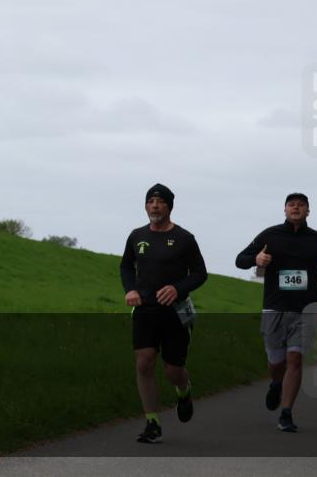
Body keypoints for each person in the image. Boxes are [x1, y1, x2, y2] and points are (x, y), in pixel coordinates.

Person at [235, 192, 317, 432]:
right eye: (291, 205)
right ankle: (276, 383)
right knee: (276, 362)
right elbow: (240, 260)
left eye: (301, 205)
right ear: (285, 210)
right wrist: (256, 259)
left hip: (305, 310)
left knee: (295, 359)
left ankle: (286, 413)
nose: (296, 208)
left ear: (308, 211)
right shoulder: (270, 235)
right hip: (274, 307)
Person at [120, 183, 208, 444]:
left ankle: (184, 390)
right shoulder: (137, 236)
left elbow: (200, 273)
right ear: (145, 206)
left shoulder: (184, 238)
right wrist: (130, 289)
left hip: (176, 313)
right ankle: (152, 422)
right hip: (145, 309)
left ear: (169, 207)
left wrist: (177, 288)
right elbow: (126, 267)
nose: (155, 206)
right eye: (150, 202)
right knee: (144, 362)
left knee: (173, 371)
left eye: (160, 202)